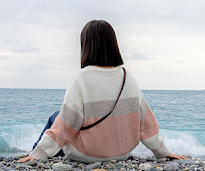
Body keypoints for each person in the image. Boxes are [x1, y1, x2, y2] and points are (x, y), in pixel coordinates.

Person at [19, 20, 185, 162]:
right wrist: (163, 153)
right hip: (122, 154)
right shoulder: (128, 77)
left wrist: (40, 153)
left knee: (56, 117)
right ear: (113, 45)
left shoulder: (82, 78)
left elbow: (66, 123)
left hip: (87, 153)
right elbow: (145, 122)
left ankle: (34, 155)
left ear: (85, 46)